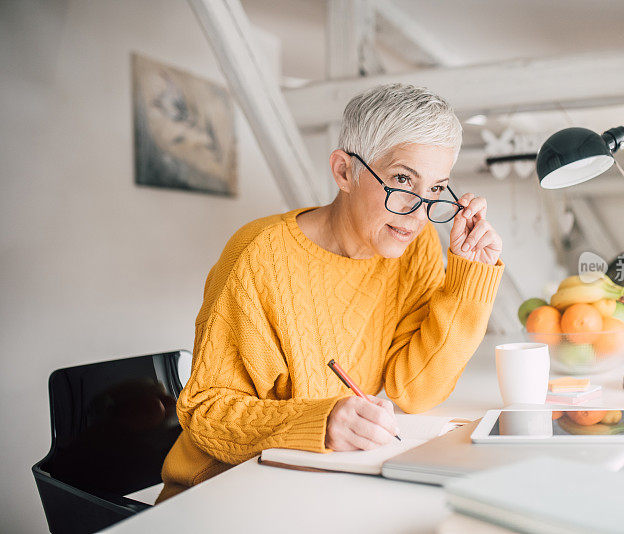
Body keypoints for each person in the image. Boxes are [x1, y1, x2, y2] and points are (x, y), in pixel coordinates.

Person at [157, 83, 504, 502]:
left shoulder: (416, 248)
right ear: (344, 171)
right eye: (401, 179)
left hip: (315, 487)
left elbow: (414, 390)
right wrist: (319, 423)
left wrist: (470, 277)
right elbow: (205, 412)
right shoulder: (258, 256)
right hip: (222, 495)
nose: (417, 213)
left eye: (434, 190)